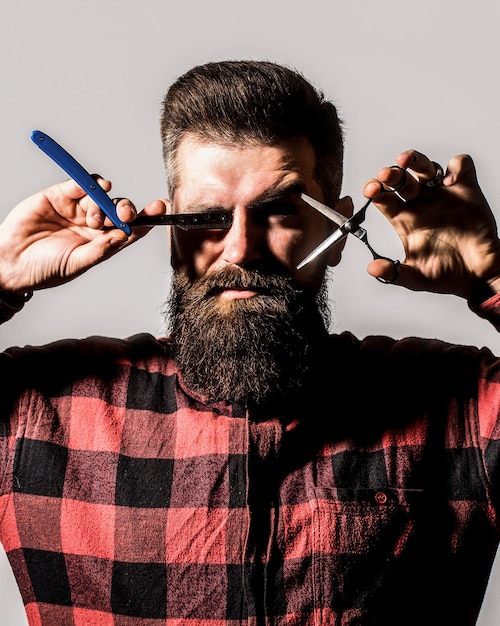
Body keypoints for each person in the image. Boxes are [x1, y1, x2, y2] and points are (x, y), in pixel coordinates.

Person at [0, 60, 499, 626]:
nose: (240, 249)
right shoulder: (40, 410)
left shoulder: (457, 408)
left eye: (280, 212)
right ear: (171, 238)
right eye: (209, 217)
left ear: (336, 234)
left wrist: (495, 283)